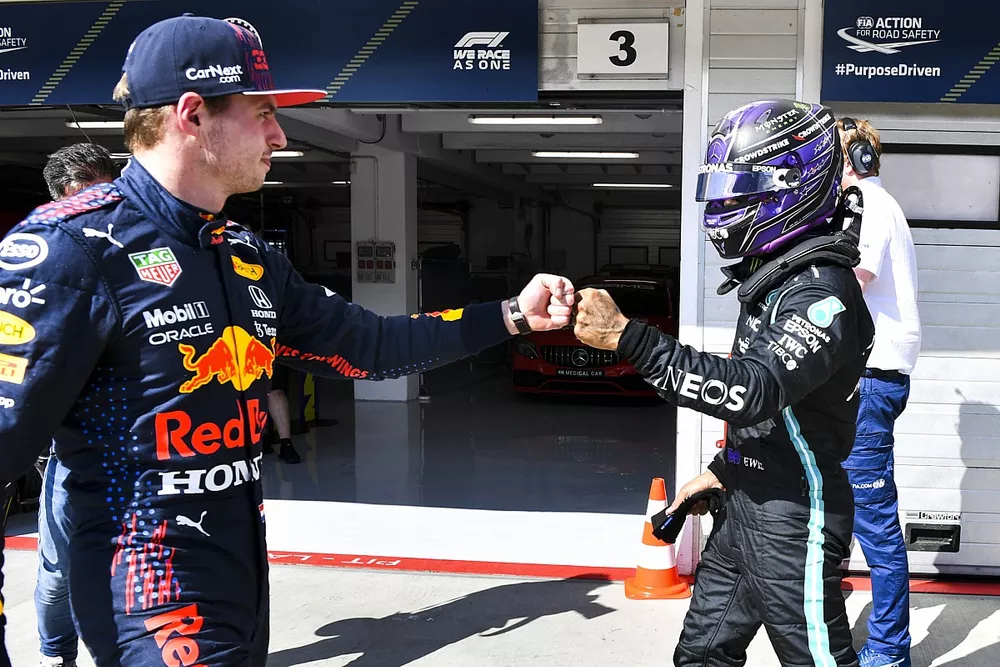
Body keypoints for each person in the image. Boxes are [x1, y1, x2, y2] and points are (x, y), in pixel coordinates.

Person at [0, 14, 575, 666]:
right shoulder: (67, 248)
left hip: (244, 586)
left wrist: (512, 315)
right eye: (263, 113)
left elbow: (369, 346)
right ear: (192, 114)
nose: (279, 134)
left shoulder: (244, 253)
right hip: (149, 588)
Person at [573, 99, 875, 667]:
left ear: (794, 187)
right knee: (702, 655)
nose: (723, 210)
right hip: (743, 506)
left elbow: (755, 389)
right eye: (719, 194)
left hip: (795, 518)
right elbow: (778, 409)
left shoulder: (820, 292)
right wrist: (723, 468)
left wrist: (627, 338)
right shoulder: (776, 278)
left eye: (739, 194)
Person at [33, 143, 120, 667]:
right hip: (70, 444)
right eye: (91, 195)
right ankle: (56, 655)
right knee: (60, 571)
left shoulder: (139, 249)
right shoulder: (38, 261)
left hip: (144, 444)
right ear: (64, 198)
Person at [838, 117, 921, 667]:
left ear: (856, 158)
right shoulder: (877, 204)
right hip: (870, 377)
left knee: (874, 521)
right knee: (842, 509)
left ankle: (889, 651)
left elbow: (850, 284)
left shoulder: (864, 203)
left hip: (869, 378)